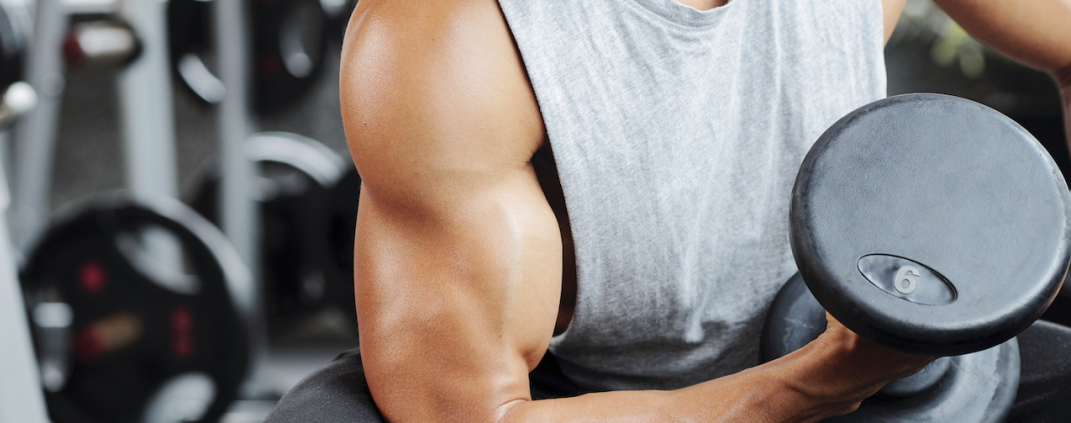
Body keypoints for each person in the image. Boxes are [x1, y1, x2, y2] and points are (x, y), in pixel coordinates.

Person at [267, 0, 1071, 421]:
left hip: (848, 335)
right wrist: (817, 384)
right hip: (585, 398)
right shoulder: (451, 35)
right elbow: (474, 417)